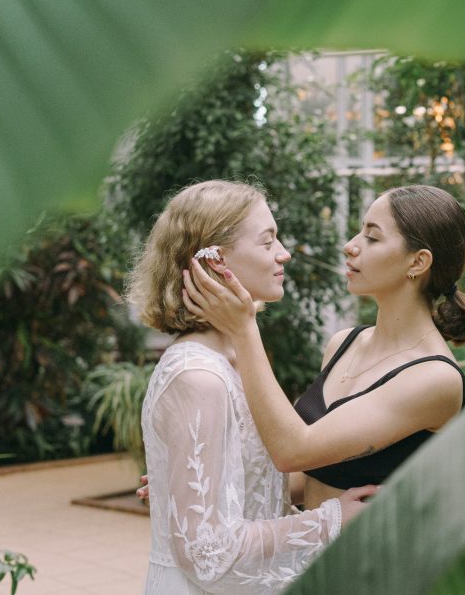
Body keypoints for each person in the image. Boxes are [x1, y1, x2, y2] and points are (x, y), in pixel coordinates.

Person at [128, 180, 377, 595]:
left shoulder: (235, 358)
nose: (284, 253)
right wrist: (329, 520)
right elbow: (207, 553)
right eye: (267, 242)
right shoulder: (199, 377)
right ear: (217, 261)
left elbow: (250, 500)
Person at [182, 184, 465, 510]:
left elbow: (293, 451)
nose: (350, 246)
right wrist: (200, 485)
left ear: (418, 262)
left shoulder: (435, 378)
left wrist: (244, 330)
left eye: (372, 237)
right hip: (308, 552)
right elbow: (306, 477)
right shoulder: (343, 343)